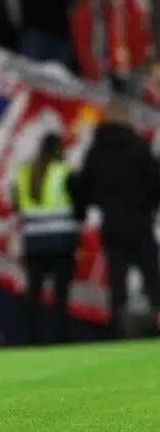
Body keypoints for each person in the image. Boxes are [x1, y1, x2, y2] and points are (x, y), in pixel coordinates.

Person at [71, 98, 160, 338]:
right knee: (152, 276)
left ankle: (117, 332)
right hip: (139, 221)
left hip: (111, 223)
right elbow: (156, 182)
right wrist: (150, 206)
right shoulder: (138, 147)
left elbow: (84, 189)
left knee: (117, 280)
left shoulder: (96, 151)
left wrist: (83, 211)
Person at [12, 133, 82, 345]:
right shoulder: (64, 172)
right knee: (61, 294)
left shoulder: (24, 174)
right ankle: (61, 338)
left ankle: (30, 339)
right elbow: (80, 203)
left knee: (33, 292)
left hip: (33, 241)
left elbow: (17, 206)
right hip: (61, 241)